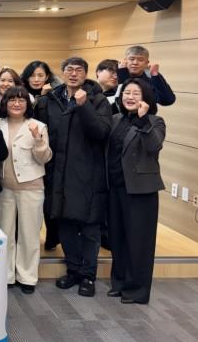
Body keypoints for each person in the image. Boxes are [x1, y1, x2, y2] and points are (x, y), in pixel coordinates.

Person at [34, 57, 112, 297]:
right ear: (62, 72)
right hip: (57, 172)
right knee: (65, 225)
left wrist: (84, 105)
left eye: (79, 70)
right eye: (69, 69)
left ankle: (88, 275)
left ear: (86, 74)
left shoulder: (98, 100)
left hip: (88, 173)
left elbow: (101, 132)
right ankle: (74, 270)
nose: (74, 74)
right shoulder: (50, 100)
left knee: (89, 227)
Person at [107, 78, 165, 304]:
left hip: (141, 191)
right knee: (117, 238)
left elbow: (154, 146)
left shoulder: (155, 121)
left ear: (145, 98)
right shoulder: (115, 119)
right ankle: (119, 282)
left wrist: (142, 120)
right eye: (126, 92)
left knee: (139, 242)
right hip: (115, 187)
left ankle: (137, 290)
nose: (130, 97)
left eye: (135, 93)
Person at [0, 86, 53, 294]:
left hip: (31, 187)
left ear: (28, 104)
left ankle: (27, 277)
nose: (16, 103)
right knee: (5, 233)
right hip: (3, 187)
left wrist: (38, 138)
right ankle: (6, 275)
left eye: (21, 100)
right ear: (5, 103)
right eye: (12, 100)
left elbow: (44, 158)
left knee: (29, 234)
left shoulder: (38, 125)